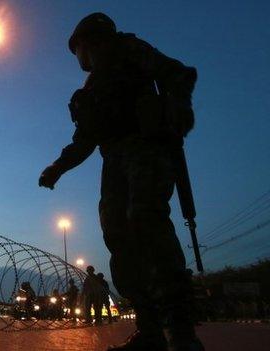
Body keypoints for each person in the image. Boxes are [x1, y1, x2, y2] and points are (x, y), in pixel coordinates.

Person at [38, 13, 203, 351]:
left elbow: (180, 74)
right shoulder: (92, 88)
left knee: (147, 223)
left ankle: (181, 331)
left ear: (89, 41)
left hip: (146, 150)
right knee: (118, 235)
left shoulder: (129, 50)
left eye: (78, 49)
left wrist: (177, 111)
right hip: (114, 163)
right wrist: (58, 167)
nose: (78, 58)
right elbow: (85, 138)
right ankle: (151, 330)